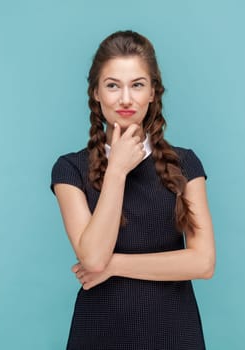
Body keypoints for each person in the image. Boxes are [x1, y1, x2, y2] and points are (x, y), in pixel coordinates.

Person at [50, 30, 215, 350]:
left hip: (174, 335)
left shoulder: (186, 164)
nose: (125, 99)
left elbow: (203, 262)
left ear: (153, 92)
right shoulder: (70, 170)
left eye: (137, 85)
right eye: (113, 85)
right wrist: (117, 171)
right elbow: (93, 258)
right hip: (98, 334)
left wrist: (115, 266)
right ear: (96, 93)